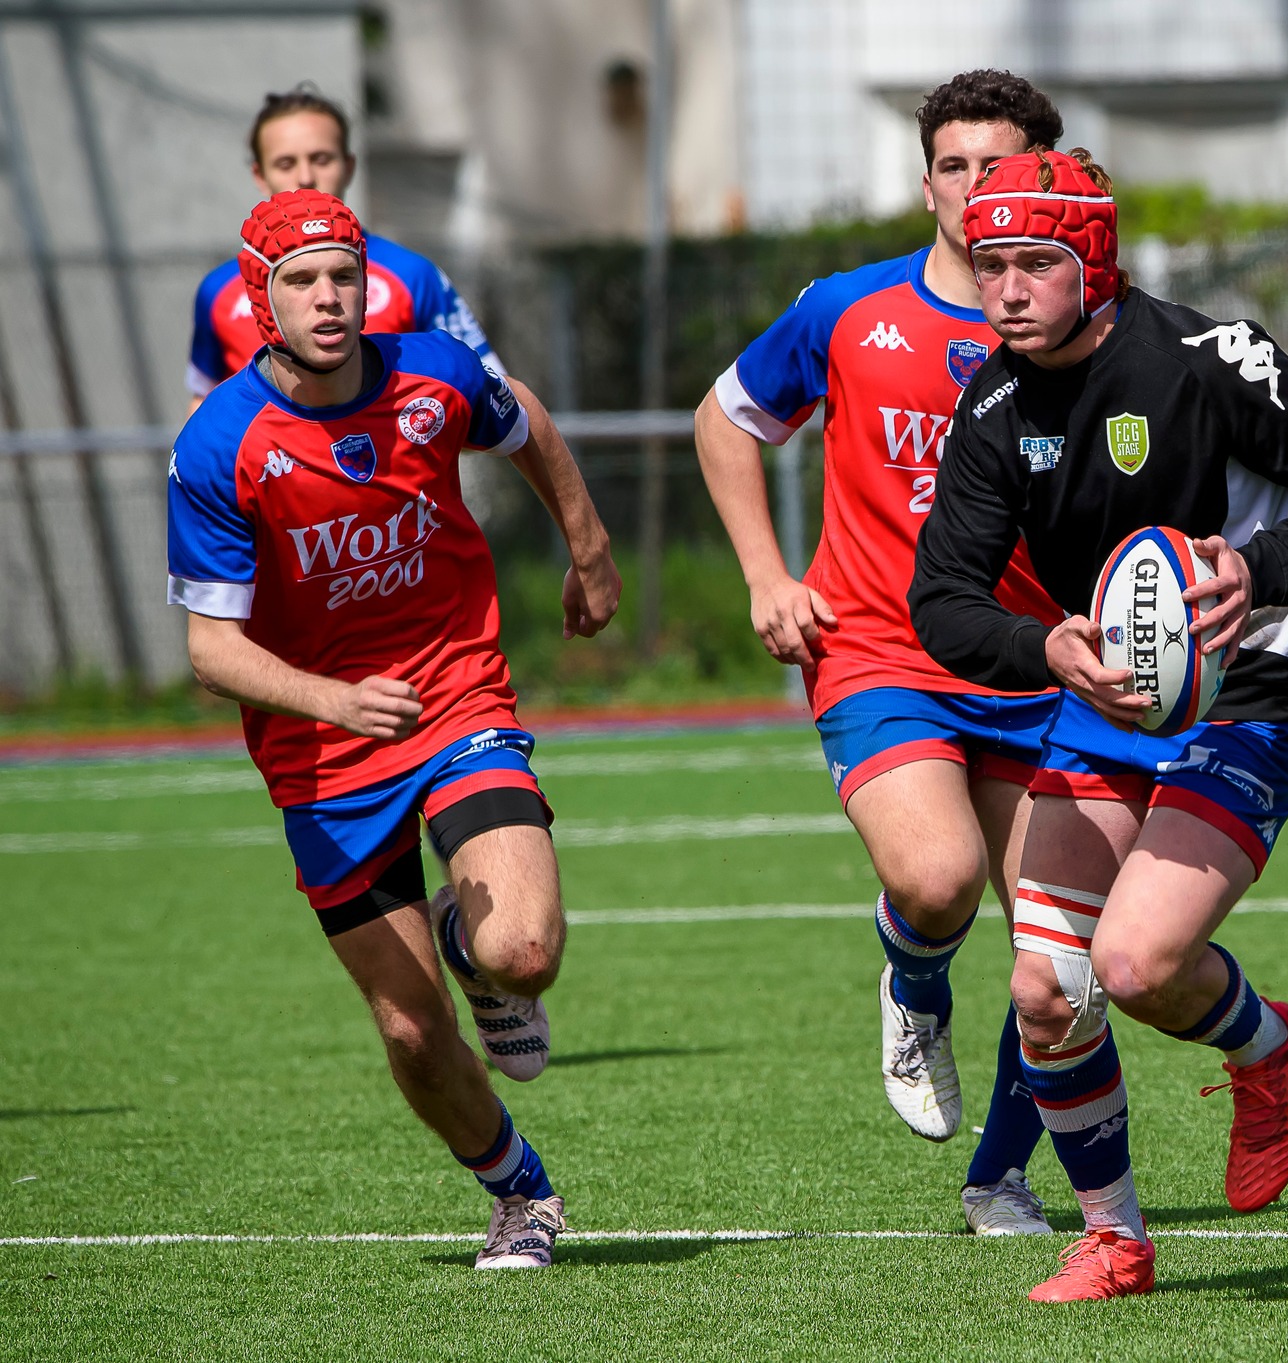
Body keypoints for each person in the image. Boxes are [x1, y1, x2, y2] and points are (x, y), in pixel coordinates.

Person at [909, 148, 1288, 1300]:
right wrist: (1044, 649)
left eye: (1035, 263)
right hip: (1104, 706)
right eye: (989, 266)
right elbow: (941, 600)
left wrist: (1264, 568)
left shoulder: (1206, 358)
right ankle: (1116, 1239)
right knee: (1044, 989)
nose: (1007, 290)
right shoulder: (989, 408)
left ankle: (1267, 1047)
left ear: (1091, 260)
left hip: (1247, 697)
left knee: (1132, 965)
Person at [165, 190, 620, 1269]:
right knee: (413, 1033)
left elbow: (528, 423)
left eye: (343, 277)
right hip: (322, 752)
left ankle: (477, 952)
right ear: (256, 297)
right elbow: (209, 651)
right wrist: (331, 699)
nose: (328, 299)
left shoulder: (435, 372)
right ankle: (520, 1195)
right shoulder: (219, 444)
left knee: (524, 950)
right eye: (300, 281)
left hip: (454, 694)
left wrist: (588, 544)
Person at [695, 70, 1068, 1235]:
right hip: (877, 645)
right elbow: (726, 417)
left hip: (1033, 659)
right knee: (935, 875)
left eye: (997, 167)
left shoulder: (1087, 332)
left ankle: (999, 1177)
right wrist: (767, 575)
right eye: (953, 168)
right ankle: (912, 989)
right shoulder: (852, 311)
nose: (974, 191)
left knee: (1059, 959)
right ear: (925, 184)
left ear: (1045, 179)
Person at [184, 85, 501, 416]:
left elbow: (490, 393)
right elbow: (203, 405)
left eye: (321, 159)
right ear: (260, 175)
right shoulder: (217, 291)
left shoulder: (412, 275)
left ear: (349, 166)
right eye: (285, 163)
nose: (305, 176)